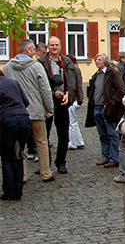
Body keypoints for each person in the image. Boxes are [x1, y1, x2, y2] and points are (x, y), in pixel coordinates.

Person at [2, 39, 55, 182]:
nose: (33, 52)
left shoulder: (7, 68)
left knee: (19, 145)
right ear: (28, 50)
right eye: (32, 49)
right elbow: (45, 89)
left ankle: (22, 175)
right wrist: (49, 108)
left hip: (16, 110)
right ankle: (46, 172)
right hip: (37, 109)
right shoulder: (37, 66)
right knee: (42, 143)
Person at [38, 36, 78, 174]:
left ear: (60, 46)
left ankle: (61, 162)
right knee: (45, 136)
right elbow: (40, 82)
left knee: (64, 135)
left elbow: (72, 81)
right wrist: (53, 92)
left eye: (56, 45)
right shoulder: (41, 62)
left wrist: (68, 93)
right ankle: (45, 164)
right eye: (52, 45)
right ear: (48, 47)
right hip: (47, 103)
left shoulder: (66, 61)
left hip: (63, 103)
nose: (54, 47)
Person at [85, 53, 125, 168]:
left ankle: (114, 158)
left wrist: (111, 103)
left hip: (108, 108)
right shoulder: (96, 75)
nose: (97, 61)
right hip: (97, 107)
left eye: (99, 60)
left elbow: (120, 90)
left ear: (105, 61)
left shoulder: (112, 73)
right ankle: (107, 156)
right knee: (102, 134)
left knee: (112, 133)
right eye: (96, 59)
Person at [0, 75, 31, 200]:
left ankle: (9, 191)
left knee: (7, 157)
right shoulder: (14, 82)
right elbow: (26, 102)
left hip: (6, 119)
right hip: (23, 118)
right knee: (18, 154)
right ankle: (18, 190)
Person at [66, 54, 85, 150]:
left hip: (73, 99)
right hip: (76, 99)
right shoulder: (76, 69)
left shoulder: (73, 70)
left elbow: (76, 85)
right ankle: (79, 141)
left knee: (71, 122)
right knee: (74, 121)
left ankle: (73, 143)